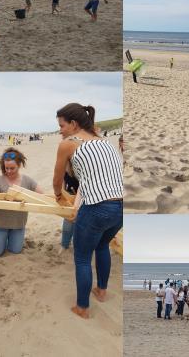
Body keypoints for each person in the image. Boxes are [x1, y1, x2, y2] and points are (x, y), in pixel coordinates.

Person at [53, 103, 123, 319]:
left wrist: (57, 196)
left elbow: (57, 180)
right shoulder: (106, 143)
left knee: (82, 258)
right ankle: (101, 291)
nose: (60, 130)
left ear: (73, 124)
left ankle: (82, 308)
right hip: (120, 207)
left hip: (97, 208)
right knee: (102, 246)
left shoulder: (69, 144)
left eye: (62, 126)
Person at [0, 148, 42, 256]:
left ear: (19, 165)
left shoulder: (28, 181)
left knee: (15, 250)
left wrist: (28, 198)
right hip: (0, 224)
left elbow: (41, 195)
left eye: (12, 168)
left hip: (18, 224)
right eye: (7, 168)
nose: (9, 171)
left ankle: (6, 240)